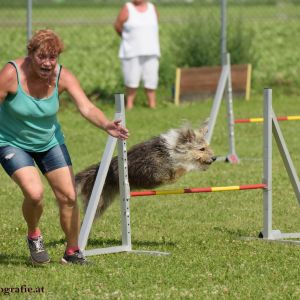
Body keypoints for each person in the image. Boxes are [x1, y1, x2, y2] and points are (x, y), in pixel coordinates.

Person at [0, 29, 129, 266]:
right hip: (11, 142)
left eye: (53, 58)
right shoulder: (11, 74)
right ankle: (34, 234)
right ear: (30, 55)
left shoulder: (62, 77)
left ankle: (72, 252)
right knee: (35, 194)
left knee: (69, 196)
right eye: (42, 57)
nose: (47, 64)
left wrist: (106, 124)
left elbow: (87, 107)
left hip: (49, 142)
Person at [114, 0, 160, 110]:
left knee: (151, 79)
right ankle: (129, 105)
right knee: (131, 79)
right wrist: (127, 38)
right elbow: (118, 25)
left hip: (151, 50)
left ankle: (152, 105)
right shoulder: (127, 7)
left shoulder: (152, 7)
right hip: (131, 51)